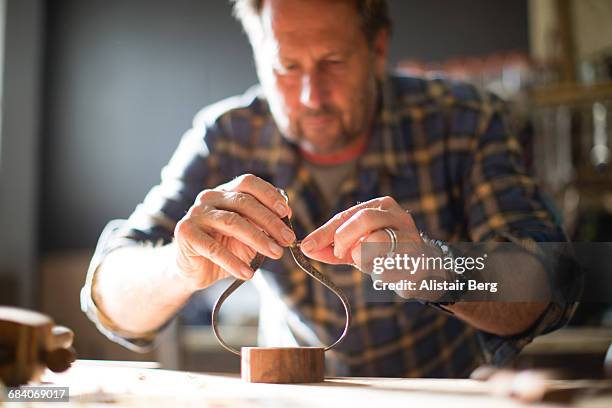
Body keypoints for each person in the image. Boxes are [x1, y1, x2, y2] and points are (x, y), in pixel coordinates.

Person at [81, 0, 579, 377]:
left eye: (333, 62)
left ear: (378, 47)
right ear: (258, 56)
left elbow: (557, 281)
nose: (310, 97)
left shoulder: (465, 120)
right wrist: (177, 267)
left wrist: (436, 269)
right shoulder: (224, 136)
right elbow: (107, 297)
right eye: (287, 66)